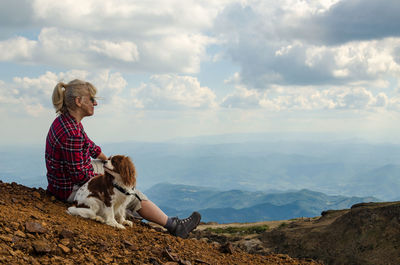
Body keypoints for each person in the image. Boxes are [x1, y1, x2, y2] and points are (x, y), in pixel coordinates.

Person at [45, 79, 200, 238]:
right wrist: (111, 178)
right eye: (92, 99)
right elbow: (79, 176)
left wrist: (105, 160)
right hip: (70, 189)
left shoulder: (68, 122)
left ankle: (121, 208)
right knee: (126, 188)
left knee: (119, 177)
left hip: (61, 181)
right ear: (79, 101)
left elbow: (88, 144)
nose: (95, 104)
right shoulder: (71, 133)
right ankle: (174, 225)